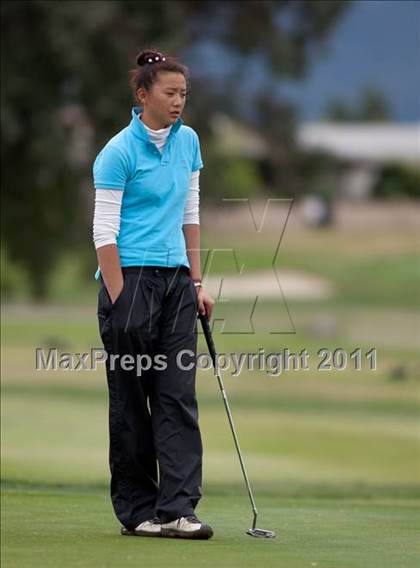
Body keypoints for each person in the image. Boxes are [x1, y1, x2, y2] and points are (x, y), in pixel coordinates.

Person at [92, 48, 215, 540]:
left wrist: (198, 282)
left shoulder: (189, 143)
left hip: (176, 283)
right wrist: (121, 299)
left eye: (183, 93)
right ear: (143, 95)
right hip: (131, 279)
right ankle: (139, 512)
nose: (179, 101)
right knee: (130, 400)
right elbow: (103, 231)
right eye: (170, 93)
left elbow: (191, 212)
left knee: (177, 396)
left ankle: (179, 510)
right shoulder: (118, 151)